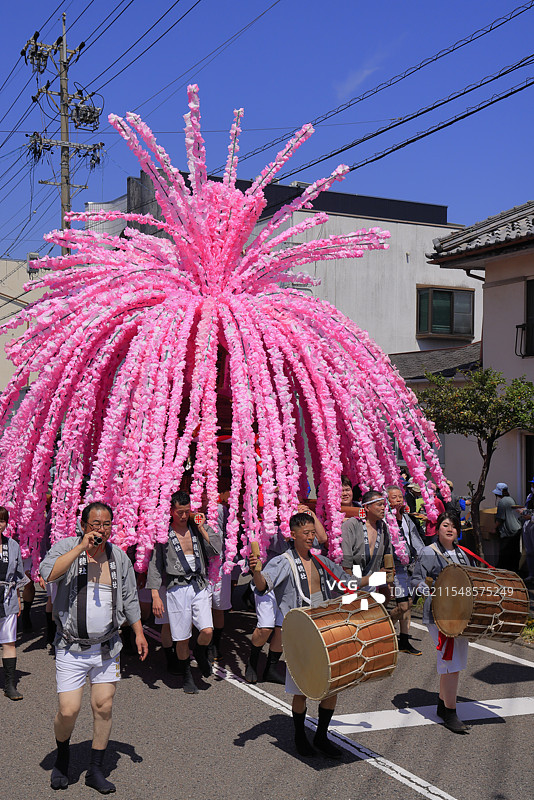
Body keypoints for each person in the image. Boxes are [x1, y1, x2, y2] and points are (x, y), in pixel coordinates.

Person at [40, 501, 149, 793]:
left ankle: (95, 770)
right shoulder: (67, 547)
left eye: (106, 525)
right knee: (68, 710)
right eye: (95, 524)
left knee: (103, 705)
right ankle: (63, 757)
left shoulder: (119, 558)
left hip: (106, 647)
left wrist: (138, 631)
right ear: (83, 525)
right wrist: (80, 549)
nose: (101, 530)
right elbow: (48, 574)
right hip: (70, 646)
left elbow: (128, 598)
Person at [249, 512, 354, 759]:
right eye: (305, 533)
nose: (310, 537)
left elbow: (349, 582)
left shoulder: (322, 561)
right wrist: (256, 571)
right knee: (302, 689)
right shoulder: (284, 561)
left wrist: (380, 577)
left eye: (312, 532)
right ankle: (299, 736)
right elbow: (264, 585)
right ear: (292, 535)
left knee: (331, 685)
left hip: (323, 628)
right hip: (299, 631)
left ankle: (322, 735)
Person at [146, 489, 222, 694]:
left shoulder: (197, 528)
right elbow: (155, 565)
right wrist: (155, 596)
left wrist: (203, 527)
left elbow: (216, 549)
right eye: (179, 511)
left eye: (187, 511)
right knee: (181, 637)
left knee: (207, 630)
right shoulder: (164, 534)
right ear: (171, 511)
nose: (183, 515)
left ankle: (200, 650)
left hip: (199, 584)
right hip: (176, 587)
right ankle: (187, 673)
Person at [245, 504, 327, 685]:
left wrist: (309, 513)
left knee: (283, 628)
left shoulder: (301, 530)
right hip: (268, 579)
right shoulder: (269, 522)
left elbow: (321, 538)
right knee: (265, 627)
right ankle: (252, 662)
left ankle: (270, 668)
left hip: (289, 582)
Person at [412, 513, 475, 734]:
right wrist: (428, 589)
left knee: (454, 661)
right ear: (437, 529)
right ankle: (450, 712)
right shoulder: (428, 552)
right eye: (445, 525)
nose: (450, 529)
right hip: (439, 615)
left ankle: (442, 705)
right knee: (452, 662)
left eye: (454, 527)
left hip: (461, 614)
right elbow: (416, 579)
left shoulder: (463, 553)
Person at [386, 485, 424, 655]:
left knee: (408, 605)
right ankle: (385, 627)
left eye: (400, 496)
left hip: (411, 565)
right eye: (394, 497)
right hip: (396, 567)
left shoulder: (408, 519)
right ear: (387, 501)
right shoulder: (386, 521)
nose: (399, 500)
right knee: (403, 605)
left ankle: (404, 640)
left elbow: (416, 541)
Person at [0, 506, 26, 700]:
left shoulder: (13, 545)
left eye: (2, 520)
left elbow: (18, 575)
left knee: (9, 641)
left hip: (7, 597)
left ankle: (9, 685)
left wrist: (18, 597)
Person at [341, 490, 393, 586]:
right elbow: (346, 561)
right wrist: (352, 584)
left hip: (374, 582)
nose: (383, 508)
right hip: (352, 581)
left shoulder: (383, 526)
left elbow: (387, 555)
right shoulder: (352, 524)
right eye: (379, 505)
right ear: (367, 507)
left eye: (384, 505)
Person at [494, 483, 522, 572]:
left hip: (508, 531)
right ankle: (515, 572)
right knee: (514, 553)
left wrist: (493, 528)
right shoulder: (510, 499)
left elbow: (500, 519)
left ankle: (502, 574)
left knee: (504, 554)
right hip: (517, 529)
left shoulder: (502, 502)